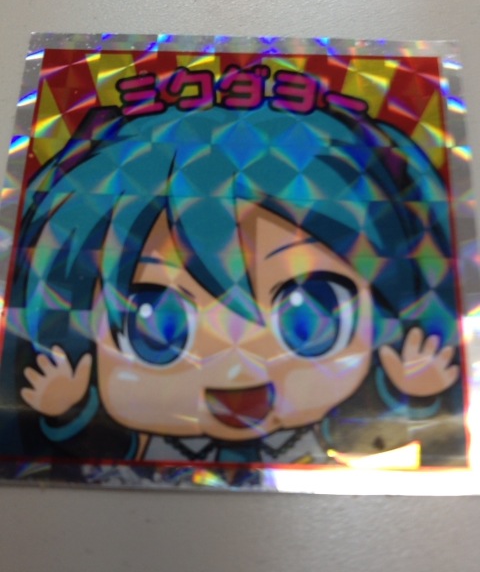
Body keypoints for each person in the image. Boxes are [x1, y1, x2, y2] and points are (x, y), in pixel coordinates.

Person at [0, 92, 462, 465]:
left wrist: (409, 395)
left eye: (307, 318)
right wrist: (70, 412)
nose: (239, 367)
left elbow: (364, 439)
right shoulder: (147, 447)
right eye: (158, 326)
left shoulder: (319, 435)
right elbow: (99, 451)